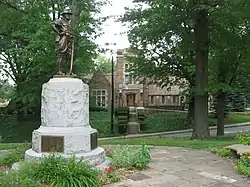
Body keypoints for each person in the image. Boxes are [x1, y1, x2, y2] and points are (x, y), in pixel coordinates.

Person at [52, 7, 74, 75]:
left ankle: (69, 71)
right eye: (68, 14)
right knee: (61, 54)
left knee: (70, 56)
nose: (69, 16)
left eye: (69, 14)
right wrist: (59, 33)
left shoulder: (69, 23)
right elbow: (53, 25)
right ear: (64, 14)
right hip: (64, 38)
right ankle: (59, 71)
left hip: (69, 39)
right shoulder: (60, 21)